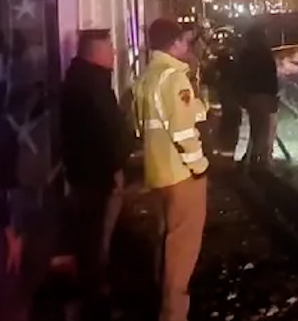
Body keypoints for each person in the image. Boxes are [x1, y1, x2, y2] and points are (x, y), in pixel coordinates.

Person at [132, 19, 209, 321]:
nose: (187, 47)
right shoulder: (173, 79)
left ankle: (162, 298)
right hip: (181, 175)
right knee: (182, 249)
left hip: (157, 172)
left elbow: (143, 126)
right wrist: (199, 165)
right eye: (184, 41)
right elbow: (182, 131)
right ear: (175, 43)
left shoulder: (146, 78)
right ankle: (173, 313)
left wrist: (199, 108)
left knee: (165, 239)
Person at [59, 29, 132, 320]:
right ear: (94, 53)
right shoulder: (92, 86)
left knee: (92, 239)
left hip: (88, 175)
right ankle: (96, 303)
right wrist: (115, 166)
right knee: (94, 240)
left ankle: (95, 294)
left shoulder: (84, 81)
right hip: (97, 178)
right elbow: (105, 133)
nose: (114, 53)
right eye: (109, 48)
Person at [237, 25, 279, 168]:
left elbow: (240, 77)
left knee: (257, 129)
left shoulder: (244, 55)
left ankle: (253, 158)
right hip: (264, 95)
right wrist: (274, 95)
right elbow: (271, 76)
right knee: (266, 130)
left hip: (251, 96)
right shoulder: (265, 54)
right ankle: (261, 160)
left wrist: (243, 97)